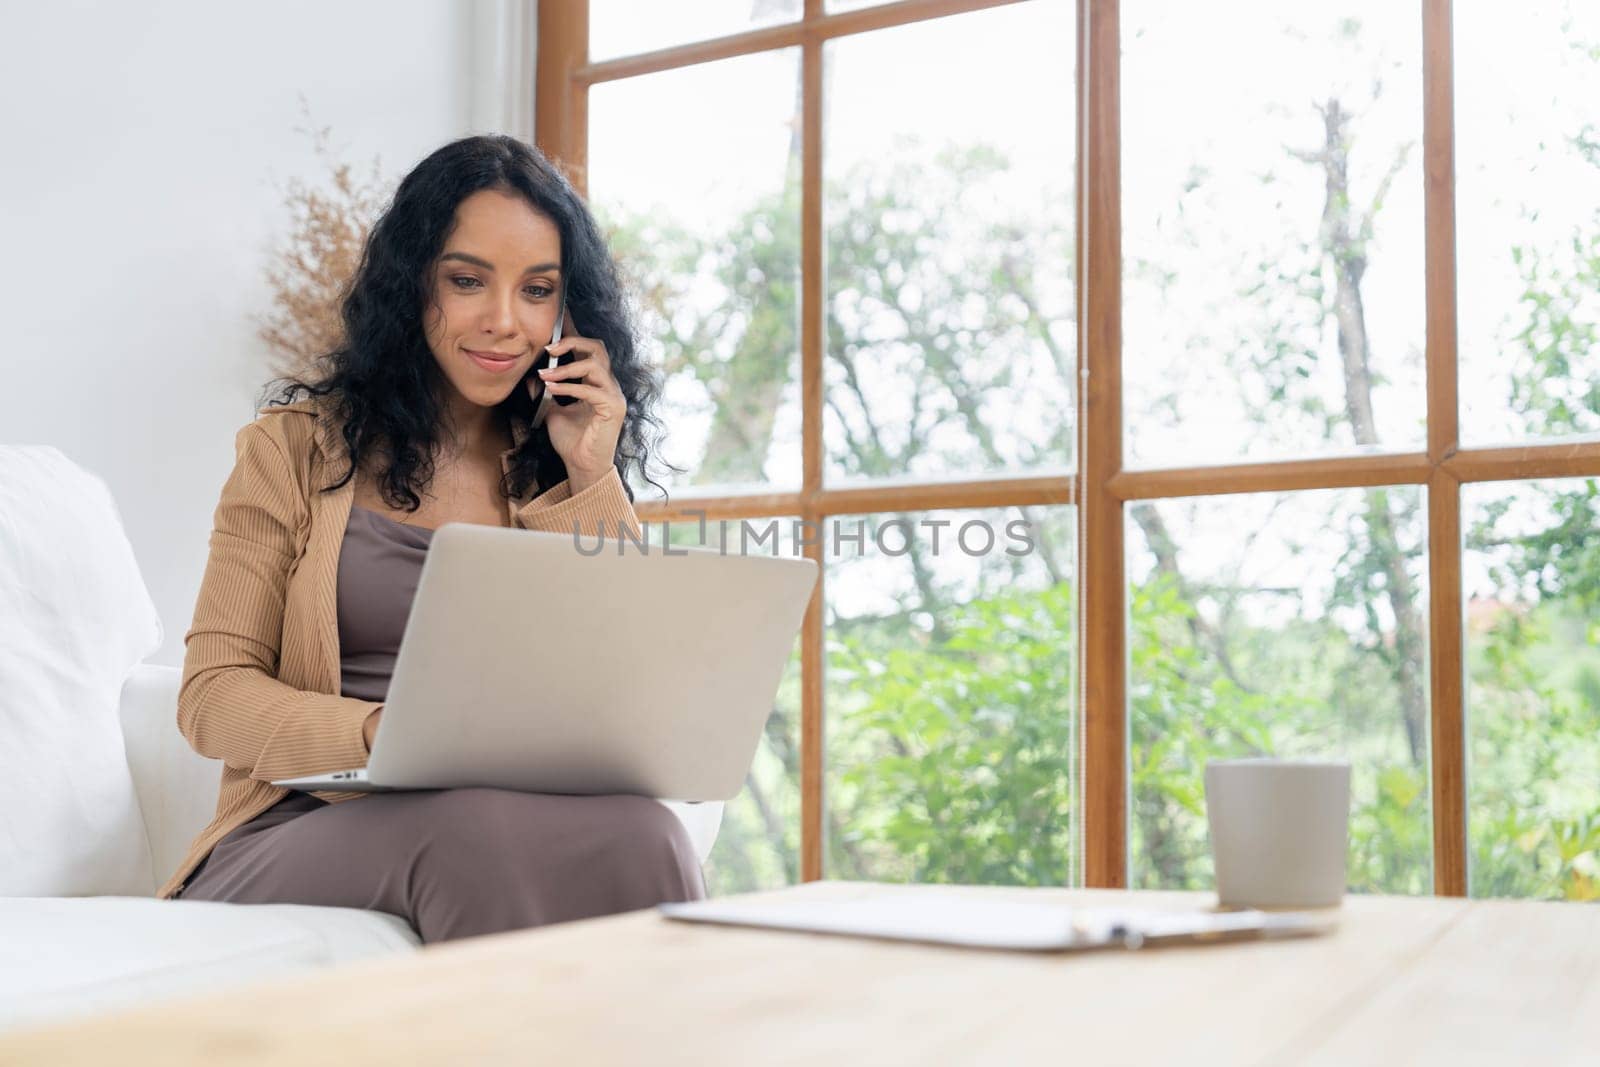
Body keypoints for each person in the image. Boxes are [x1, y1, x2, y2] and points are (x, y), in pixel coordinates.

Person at [160, 134, 704, 944]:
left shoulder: (555, 466)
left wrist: (588, 472)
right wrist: (382, 734)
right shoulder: (293, 450)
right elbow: (210, 696)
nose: (503, 321)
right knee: (472, 831)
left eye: (537, 290)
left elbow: (621, 697)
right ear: (414, 284)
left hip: (494, 808)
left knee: (650, 831)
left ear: (567, 311)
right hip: (294, 828)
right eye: (466, 280)